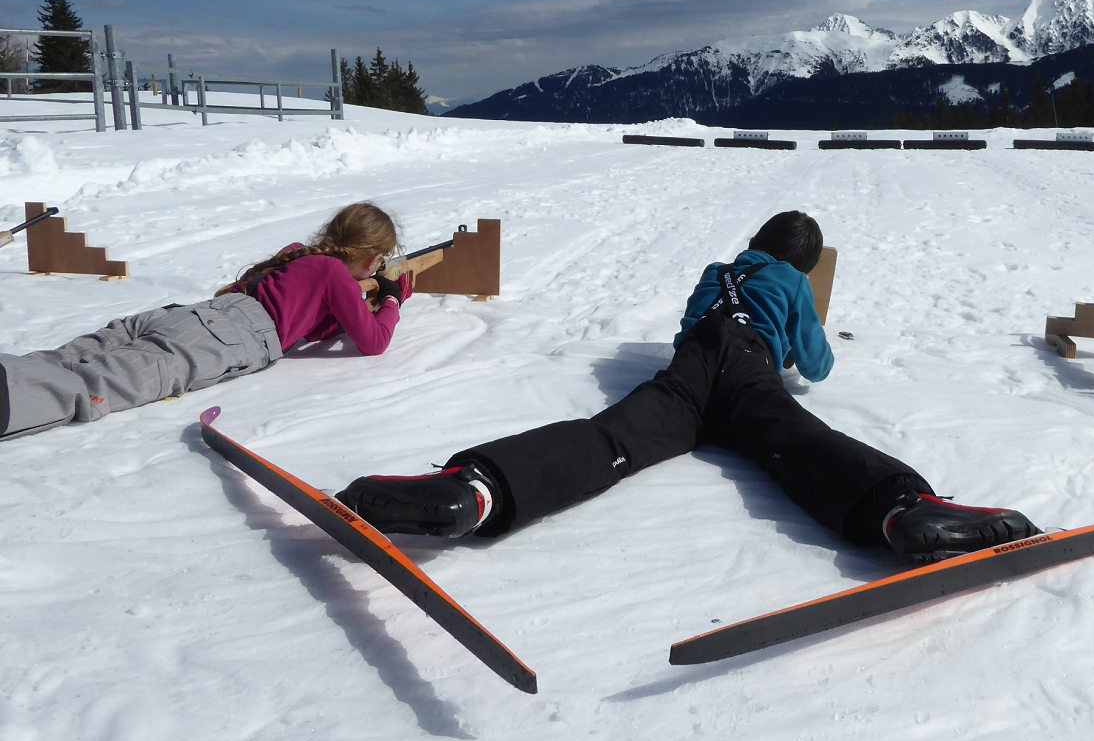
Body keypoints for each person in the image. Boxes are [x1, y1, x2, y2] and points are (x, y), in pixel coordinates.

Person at [340, 211, 1037, 566]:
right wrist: (796, 337)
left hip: (690, 369)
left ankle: (475, 490)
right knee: (795, 439)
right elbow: (818, 366)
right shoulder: (793, 281)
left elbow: (688, 326)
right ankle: (903, 510)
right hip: (745, 367)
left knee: (610, 438)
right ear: (802, 261)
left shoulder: (718, 269)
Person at [0, 202, 414, 441]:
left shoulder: (300, 254)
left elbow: (314, 323)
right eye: (380, 260)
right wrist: (392, 298)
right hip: (230, 336)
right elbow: (373, 341)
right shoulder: (334, 273)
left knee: (68, 358)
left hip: (193, 315)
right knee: (96, 386)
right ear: (373, 256)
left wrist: (364, 298)